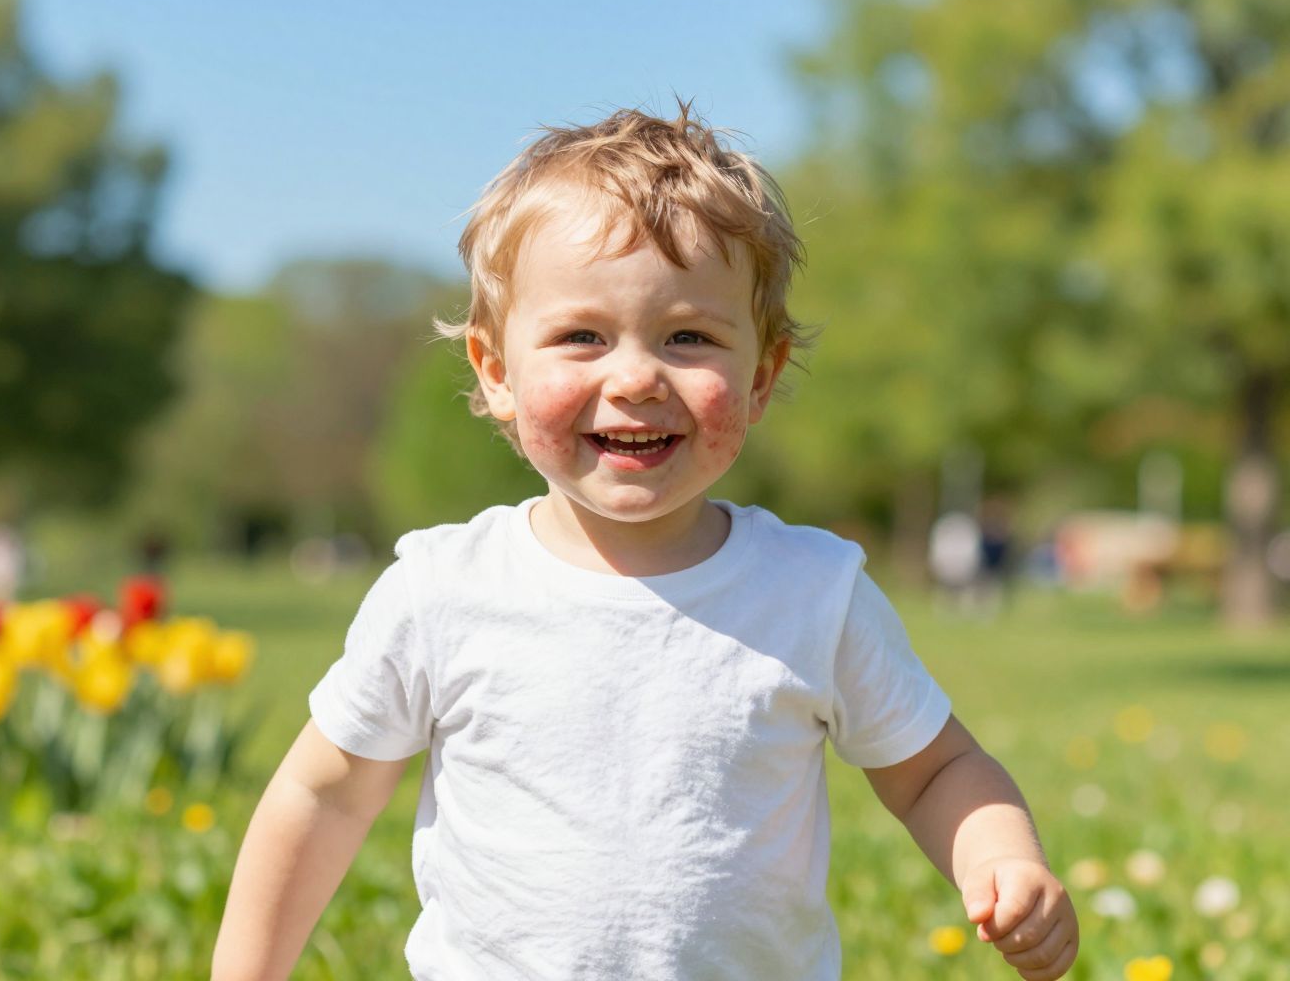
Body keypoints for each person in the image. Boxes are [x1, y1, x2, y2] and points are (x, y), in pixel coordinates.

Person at [213, 105, 1078, 981]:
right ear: (497, 371)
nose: (633, 378)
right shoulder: (443, 591)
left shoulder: (812, 592)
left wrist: (1001, 859)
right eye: (581, 337)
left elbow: (935, 770)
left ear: (763, 374)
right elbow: (321, 795)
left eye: (689, 337)